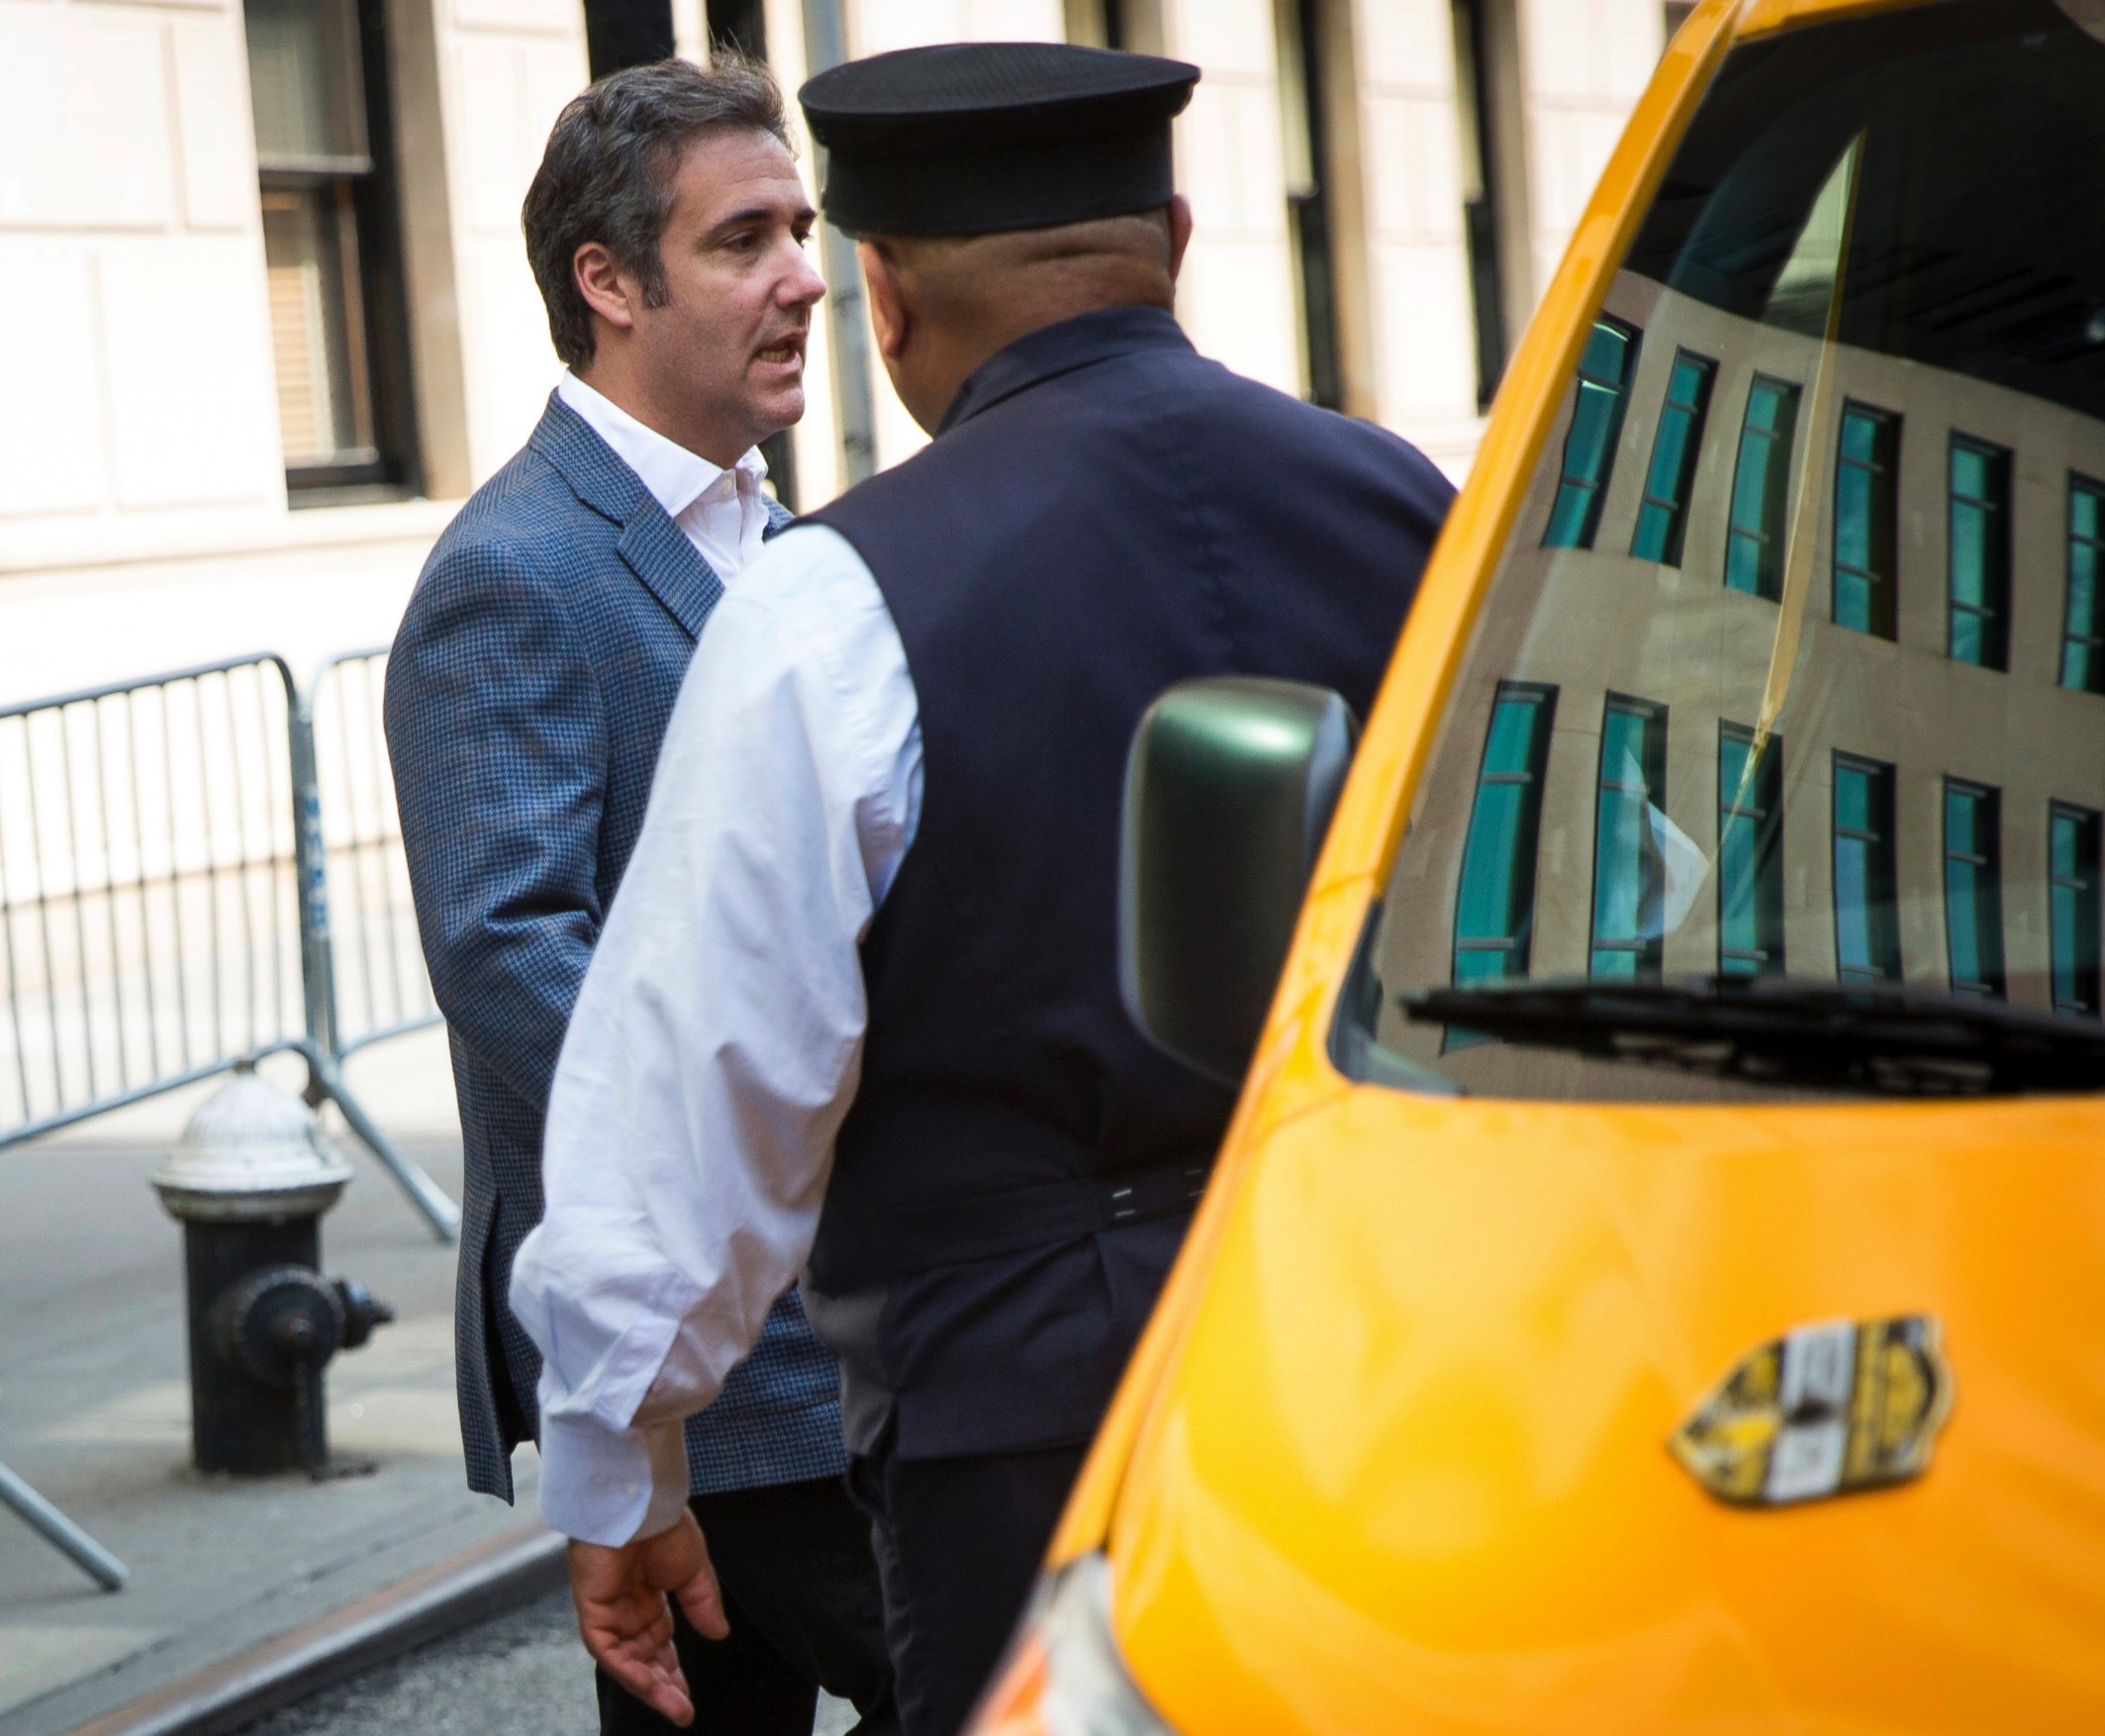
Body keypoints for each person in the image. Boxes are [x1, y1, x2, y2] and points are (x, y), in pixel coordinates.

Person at [518, 41, 1459, 1736]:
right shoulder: (1411, 509)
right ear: (1171, 231)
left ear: (883, 296)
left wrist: (621, 1453)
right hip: (1397, 1339)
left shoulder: (838, 598)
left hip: (1028, 1411)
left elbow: (703, 1069)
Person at [381, 54, 896, 1736]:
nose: (803, 276)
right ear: (609, 284)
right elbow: (510, 950)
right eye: (744, 238)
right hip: (703, 1325)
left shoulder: (786, 533)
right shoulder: (514, 572)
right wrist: (794, 1126)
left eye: (801, 229)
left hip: (815, 1315)